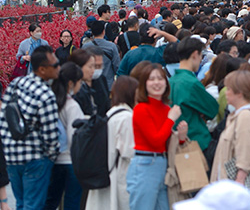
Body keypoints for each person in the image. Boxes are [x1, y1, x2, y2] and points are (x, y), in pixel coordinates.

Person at [0, 45, 61, 210]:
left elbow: (4, 116)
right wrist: (52, 156)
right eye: (55, 65)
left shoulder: (16, 84)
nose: (58, 68)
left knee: (21, 203)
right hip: (34, 157)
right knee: (33, 205)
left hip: (12, 157)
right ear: (42, 69)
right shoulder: (46, 94)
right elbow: (50, 135)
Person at [211, 70, 250, 210]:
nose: (225, 92)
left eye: (229, 89)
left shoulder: (245, 116)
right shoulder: (239, 114)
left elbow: (246, 150)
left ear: (239, 93)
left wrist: (239, 181)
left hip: (236, 186)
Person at [128, 63, 187, 210]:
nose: (156, 83)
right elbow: (155, 140)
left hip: (162, 163)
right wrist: (171, 119)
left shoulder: (166, 108)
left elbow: (165, 141)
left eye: (160, 78)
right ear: (144, 84)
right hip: (145, 164)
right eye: (151, 79)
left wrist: (181, 137)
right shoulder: (141, 109)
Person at [87, 76, 138, 210]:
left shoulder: (111, 113)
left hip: (107, 172)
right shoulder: (127, 117)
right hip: (120, 174)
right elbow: (129, 151)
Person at [44, 62, 86, 210]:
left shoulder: (51, 101)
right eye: (80, 81)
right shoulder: (72, 106)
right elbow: (74, 137)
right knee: (72, 203)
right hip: (70, 162)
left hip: (53, 161)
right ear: (71, 83)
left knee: (50, 202)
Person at [169, 37, 220, 155]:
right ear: (195, 54)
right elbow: (213, 109)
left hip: (175, 141)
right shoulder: (191, 83)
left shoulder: (171, 81)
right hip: (197, 142)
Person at [70, 47, 111, 115]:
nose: (95, 70)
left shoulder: (101, 79)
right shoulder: (76, 88)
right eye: (94, 66)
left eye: (100, 66)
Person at [82, 19, 120, 90]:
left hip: (90, 85)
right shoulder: (111, 46)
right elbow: (117, 66)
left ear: (92, 32)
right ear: (103, 31)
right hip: (108, 84)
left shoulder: (85, 47)